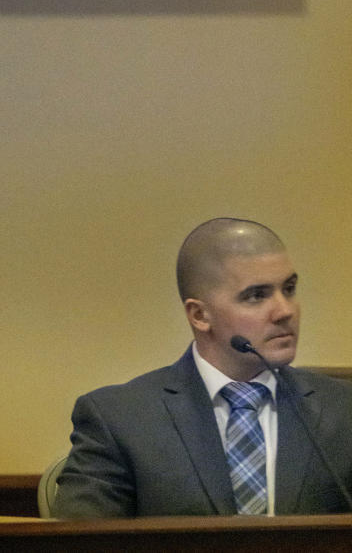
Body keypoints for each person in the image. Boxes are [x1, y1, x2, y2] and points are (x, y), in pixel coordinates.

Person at [54, 217, 352, 517]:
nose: (285, 311)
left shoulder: (343, 409)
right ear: (199, 315)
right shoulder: (120, 420)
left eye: (289, 289)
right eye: (256, 296)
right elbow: (80, 539)